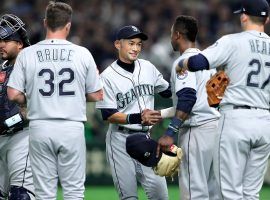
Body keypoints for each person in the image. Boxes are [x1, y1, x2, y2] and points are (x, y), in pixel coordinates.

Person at [7, 1, 103, 200]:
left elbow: (13, 94)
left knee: (44, 193)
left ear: (45, 23)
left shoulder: (27, 54)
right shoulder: (82, 53)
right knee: (74, 191)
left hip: (39, 126)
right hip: (71, 126)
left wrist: (33, 97)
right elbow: (97, 95)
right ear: (68, 25)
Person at [175, 0, 270, 199]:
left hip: (236, 120)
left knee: (230, 192)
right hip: (265, 122)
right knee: (251, 194)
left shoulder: (232, 41)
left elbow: (198, 62)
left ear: (243, 16)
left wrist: (182, 63)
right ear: (267, 19)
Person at [96, 25, 171, 200]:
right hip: (120, 141)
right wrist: (138, 117)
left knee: (161, 195)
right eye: (131, 43)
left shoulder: (148, 67)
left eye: (138, 44)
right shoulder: (107, 77)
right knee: (129, 197)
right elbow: (108, 115)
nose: (136, 48)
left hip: (146, 139)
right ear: (117, 44)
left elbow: (168, 91)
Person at [153, 15, 221, 200]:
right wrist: (161, 113)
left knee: (194, 192)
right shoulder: (209, 63)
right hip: (215, 129)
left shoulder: (183, 62)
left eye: (171, 34)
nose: (170, 38)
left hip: (196, 131)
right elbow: (205, 100)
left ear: (177, 35)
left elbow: (188, 99)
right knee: (214, 192)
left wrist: (170, 132)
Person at [0, 14, 35, 199]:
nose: (1, 45)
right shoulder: (3, 68)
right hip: (3, 139)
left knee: (21, 195)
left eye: (6, 40)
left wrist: (8, 122)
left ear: (20, 44)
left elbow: (32, 111)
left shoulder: (32, 68)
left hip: (23, 137)